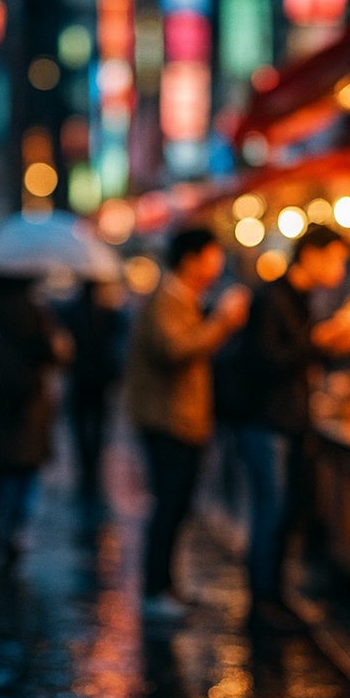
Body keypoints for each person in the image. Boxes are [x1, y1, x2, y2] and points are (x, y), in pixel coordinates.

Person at [228, 224, 350, 633]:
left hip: (287, 421)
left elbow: (297, 358)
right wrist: (320, 341)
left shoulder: (299, 299)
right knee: (270, 513)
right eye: (337, 259)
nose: (341, 269)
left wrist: (330, 346)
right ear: (312, 255)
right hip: (265, 423)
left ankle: (276, 596)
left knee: (286, 511)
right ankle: (262, 603)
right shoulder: (272, 297)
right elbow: (269, 360)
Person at [124, 226, 249, 620]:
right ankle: (155, 590)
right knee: (169, 505)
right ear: (191, 259)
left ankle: (167, 586)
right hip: (167, 421)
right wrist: (223, 322)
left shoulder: (184, 298)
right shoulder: (168, 299)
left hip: (182, 420)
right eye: (213, 256)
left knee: (178, 507)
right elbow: (176, 350)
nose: (217, 265)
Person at [0, 272, 70, 567]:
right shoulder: (36, 315)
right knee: (23, 472)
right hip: (27, 407)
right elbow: (54, 356)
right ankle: (15, 528)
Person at [59, 278, 128, 500]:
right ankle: (92, 466)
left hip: (81, 377)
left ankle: (87, 466)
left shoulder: (71, 311)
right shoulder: (107, 313)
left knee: (81, 425)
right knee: (96, 424)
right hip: (97, 378)